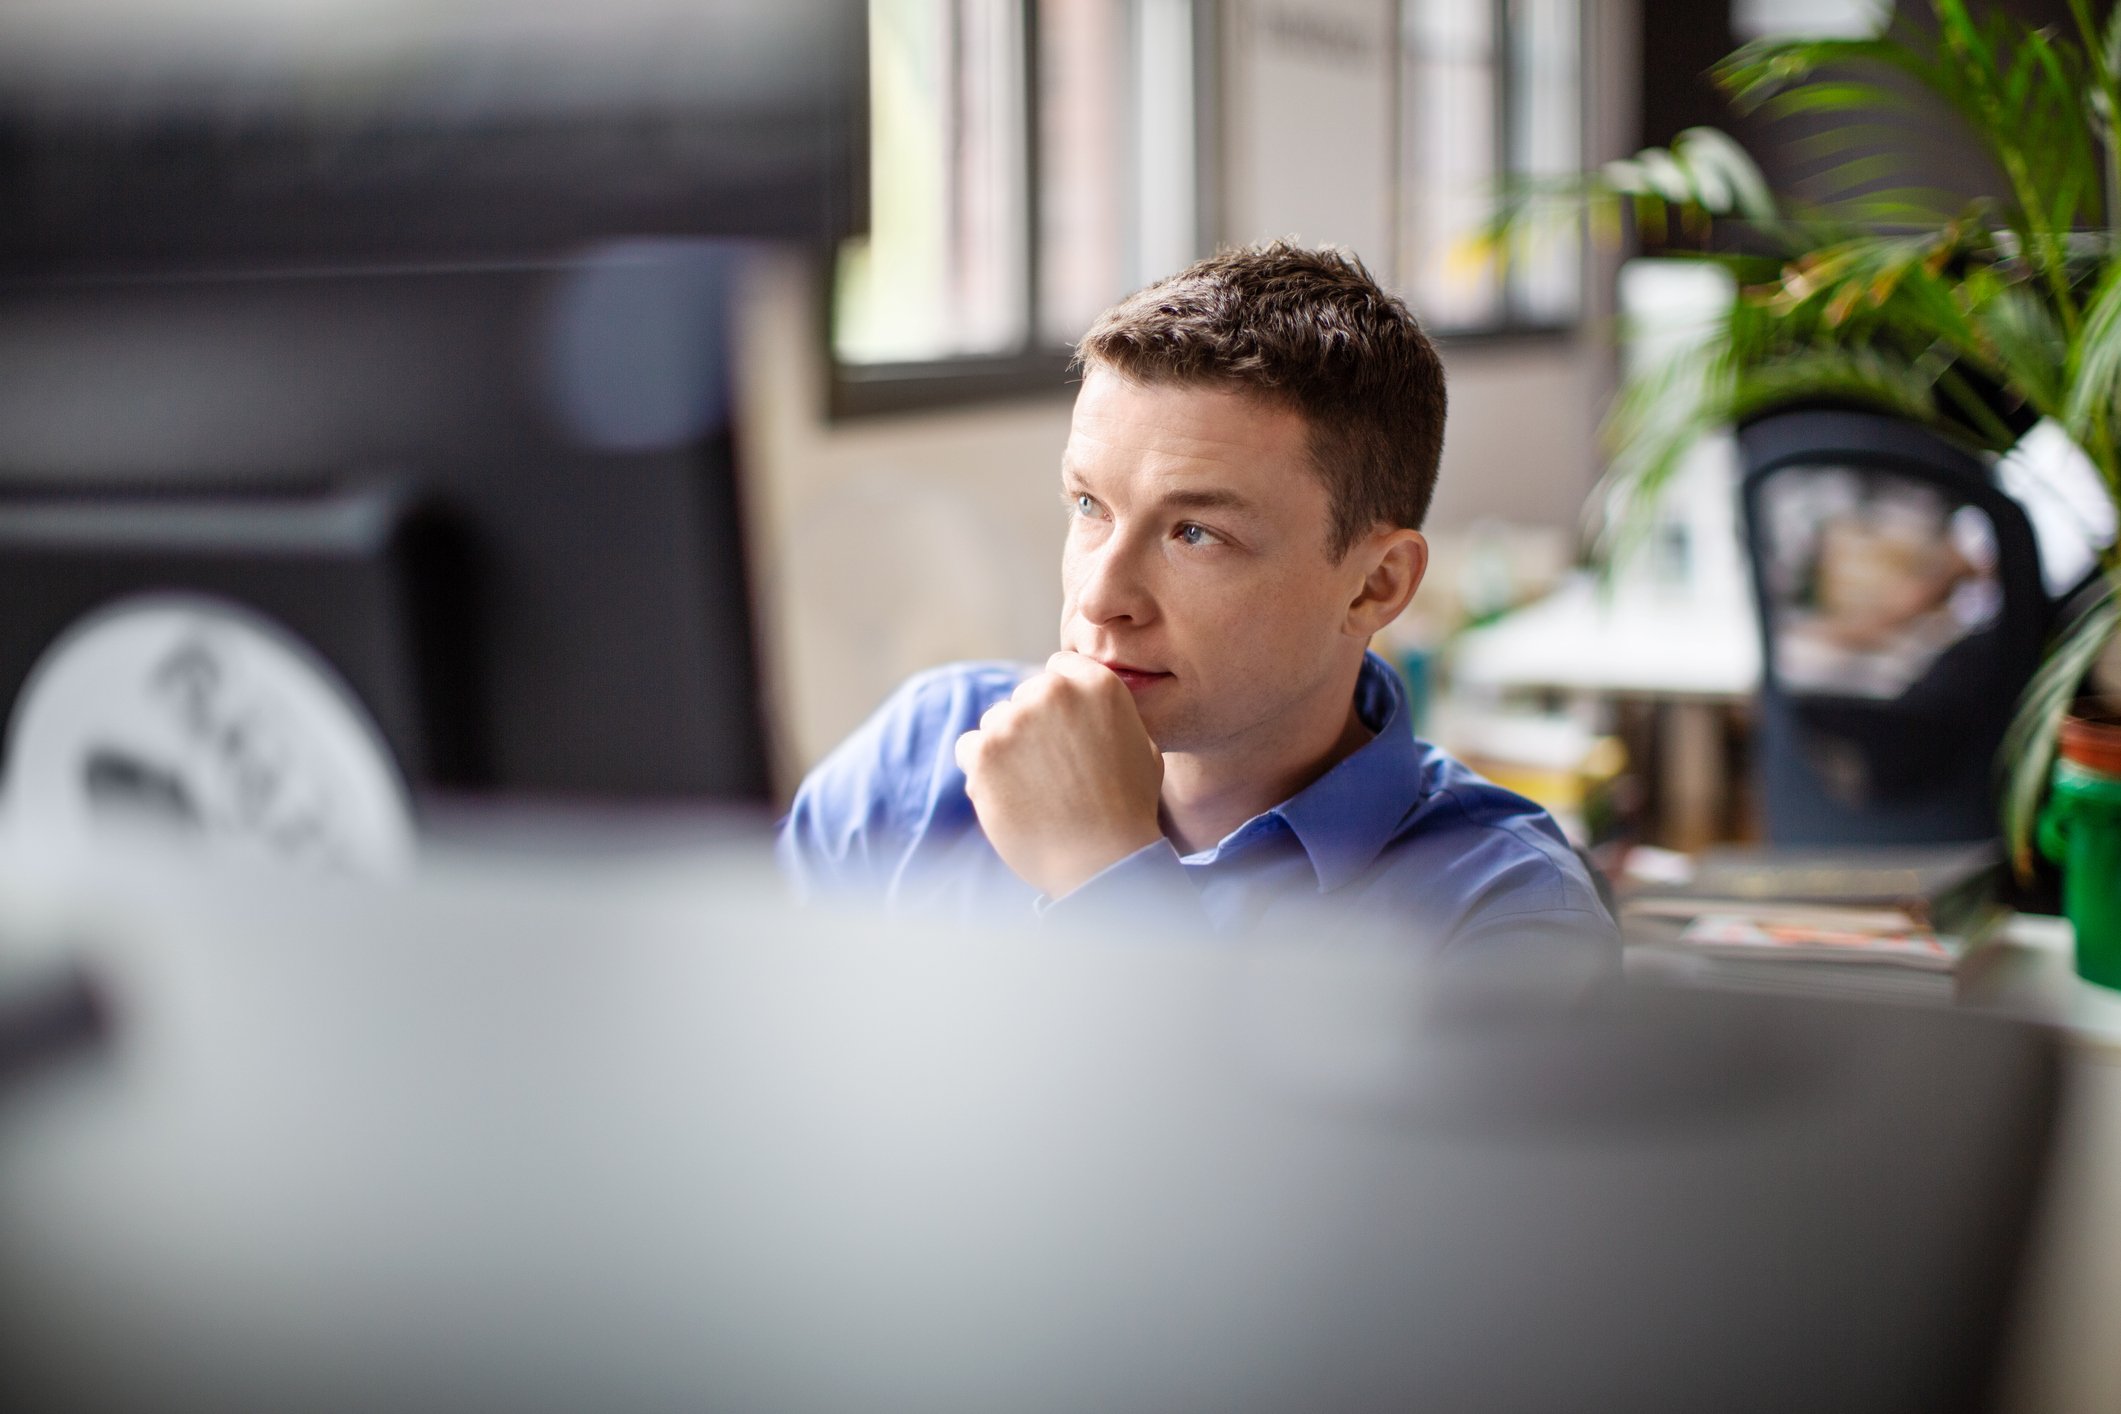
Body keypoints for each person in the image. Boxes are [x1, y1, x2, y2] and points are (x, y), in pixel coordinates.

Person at [779, 242, 1616, 969]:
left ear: (1375, 584)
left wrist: (1103, 874)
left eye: (1195, 534)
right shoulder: (915, 765)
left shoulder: (1502, 914)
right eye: (1088, 506)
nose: (1101, 598)